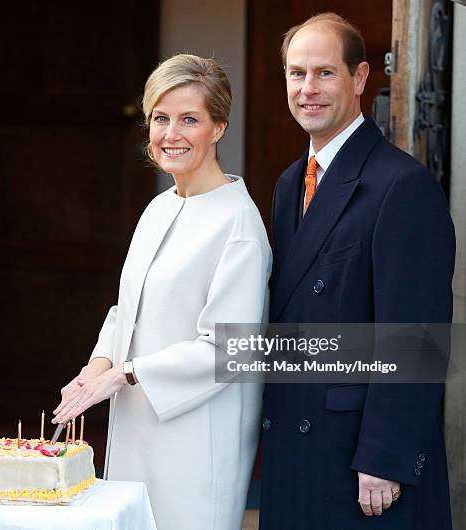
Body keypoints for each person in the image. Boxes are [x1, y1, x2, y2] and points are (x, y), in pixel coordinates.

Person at [52, 54, 271, 530]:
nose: (171, 133)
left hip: (196, 441)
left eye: (189, 119)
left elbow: (230, 352)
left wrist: (126, 374)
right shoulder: (158, 207)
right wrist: (97, 368)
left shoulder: (238, 225)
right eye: (160, 118)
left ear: (218, 127)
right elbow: (127, 309)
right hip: (135, 425)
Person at [258, 12, 455, 530]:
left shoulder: (401, 186)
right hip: (294, 450)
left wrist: (385, 458)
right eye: (296, 74)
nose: (308, 89)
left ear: (361, 78)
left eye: (325, 72)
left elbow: (415, 338)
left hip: (362, 465)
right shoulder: (287, 186)